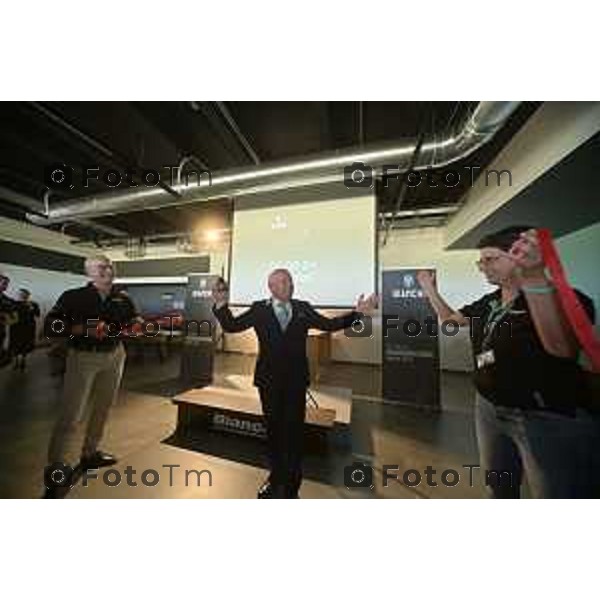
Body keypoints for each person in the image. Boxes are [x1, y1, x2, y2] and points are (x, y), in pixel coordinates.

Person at [417, 226, 598, 498]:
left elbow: (562, 349)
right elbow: (450, 323)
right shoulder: (489, 302)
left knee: (556, 495)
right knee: (499, 486)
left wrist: (534, 275)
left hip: (543, 416)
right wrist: (429, 289)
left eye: (491, 259)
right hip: (488, 408)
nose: (482, 267)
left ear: (518, 256)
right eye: (481, 260)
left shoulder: (564, 298)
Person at [212, 269, 378, 499]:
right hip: (268, 381)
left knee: (293, 431)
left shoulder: (303, 307)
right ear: (271, 287)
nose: (290, 285)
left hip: (295, 381)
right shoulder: (259, 309)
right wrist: (221, 305)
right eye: (283, 282)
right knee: (273, 430)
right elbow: (232, 326)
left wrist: (357, 314)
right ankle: (275, 477)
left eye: (290, 281)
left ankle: (292, 483)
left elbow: (329, 325)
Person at [44, 255, 140, 496]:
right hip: (84, 357)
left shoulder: (123, 297)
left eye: (110, 266)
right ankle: (56, 467)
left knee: (104, 407)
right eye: (101, 267)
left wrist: (137, 323)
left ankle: (90, 453)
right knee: (71, 414)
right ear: (90, 273)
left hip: (115, 355)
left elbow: (133, 319)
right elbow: (51, 325)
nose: (108, 270)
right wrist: (83, 328)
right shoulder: (73, 297)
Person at [9, 288, 41, 371]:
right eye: (20, 294)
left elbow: (38, 314)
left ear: (28, 295)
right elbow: (9, 314)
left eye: (25, 294)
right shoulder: (13, 303)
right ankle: (15, 361)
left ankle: (23, 360)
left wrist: (32, 309)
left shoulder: (33, 304)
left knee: (25, 344)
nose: (22, 296)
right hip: (16, 327)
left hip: (28, 328)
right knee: (15, 343)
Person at [0, 274, 18, 368]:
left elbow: (15, 319)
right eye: (4, 283)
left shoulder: (7, 300)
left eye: (7, 284)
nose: (5, 286)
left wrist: (7, 320)